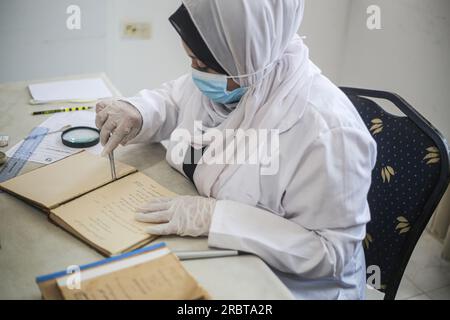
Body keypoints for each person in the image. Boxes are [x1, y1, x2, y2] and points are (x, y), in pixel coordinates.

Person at [95, 0, 377, 300]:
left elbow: (329, 252)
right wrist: (137, 111)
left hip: (287, 285)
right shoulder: (238, 70)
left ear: (244, 58)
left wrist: (216, 218)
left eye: (202, 66)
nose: (195, 73)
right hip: (217, 251)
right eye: (190, 60)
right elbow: (176, 99)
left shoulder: (329, 134)